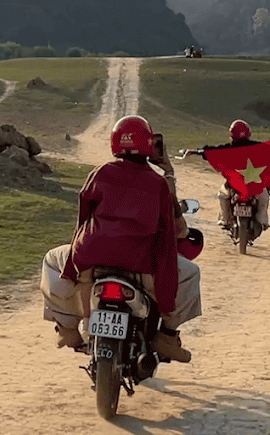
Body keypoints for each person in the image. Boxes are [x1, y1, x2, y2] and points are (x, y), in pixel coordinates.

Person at [39, 115, 201, 362]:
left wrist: (79, 252)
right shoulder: (158, 183)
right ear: (150, 145)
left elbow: (83, 217)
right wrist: (168, 171)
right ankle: (167, 337)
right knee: (191, 273)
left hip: (92, 258)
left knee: (51, 260)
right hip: (142, 264)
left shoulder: (100, 173)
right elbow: (178, 230)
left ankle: (67, 329)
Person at [202, 119, 270, 233]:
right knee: (264, 196)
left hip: (234, 183)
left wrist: (199, 151)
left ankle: (225, 220)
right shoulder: (255, 146)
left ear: (231, 134)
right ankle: (262, 221)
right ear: (248, 133)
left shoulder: (228, 147)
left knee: (223, 195)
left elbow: (211, 151)